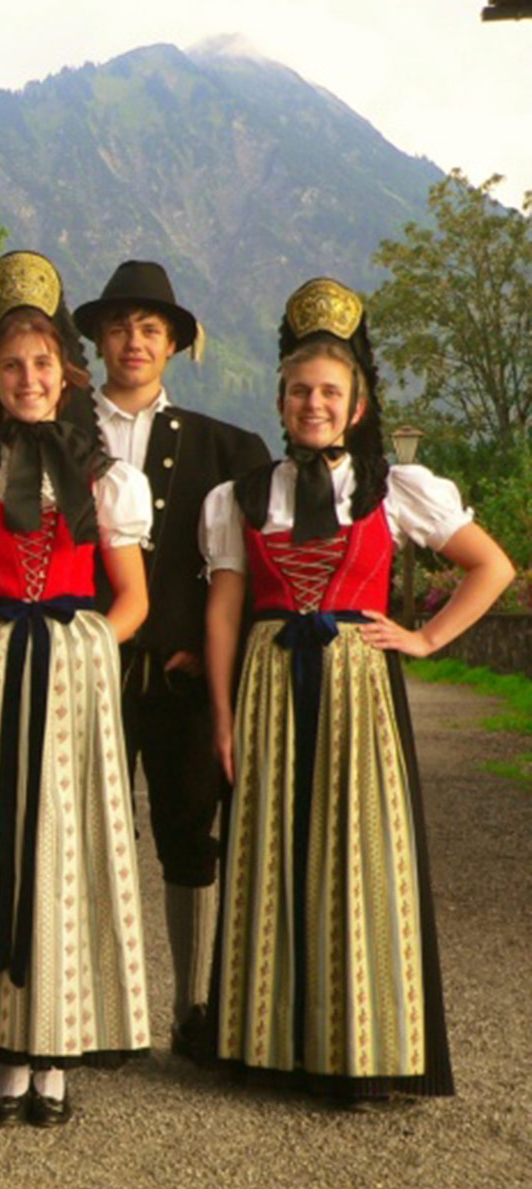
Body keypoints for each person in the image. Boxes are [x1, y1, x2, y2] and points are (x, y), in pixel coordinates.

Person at [200, 277, 510, 1108]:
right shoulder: (241, 495)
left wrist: (426, 638)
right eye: (300, 390)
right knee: (271, 850)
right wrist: (223, 715)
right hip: (270, 684)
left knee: (359, 851)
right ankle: (273, 1044)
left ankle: (360, 1050)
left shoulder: (396, 488)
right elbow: (225, 608)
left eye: (330, 392)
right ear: (280, 400)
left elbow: (491, 566)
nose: (314, 404)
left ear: (357, 404)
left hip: (357, 690)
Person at [0, 251, 154, 1127]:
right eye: (11, 365)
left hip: (74, 690)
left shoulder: (106, 475)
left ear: (67, 372)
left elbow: (133, 600)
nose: (28, 379)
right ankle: (4, 1053)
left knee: (67, 853)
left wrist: (84, 648)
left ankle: (56, 1052)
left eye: (42, 362)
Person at [71, 261, 269, 1058]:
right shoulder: (55, 435)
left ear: (176, 344)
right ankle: (94, 1012)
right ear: (97, 339)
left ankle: (192, 1006)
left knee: (190, 838)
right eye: (120, 326)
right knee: (87, 838)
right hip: (82, 675)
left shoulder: (229, 448)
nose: (134, 341)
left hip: (184, 682)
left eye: (150, 329)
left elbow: (253, 575)